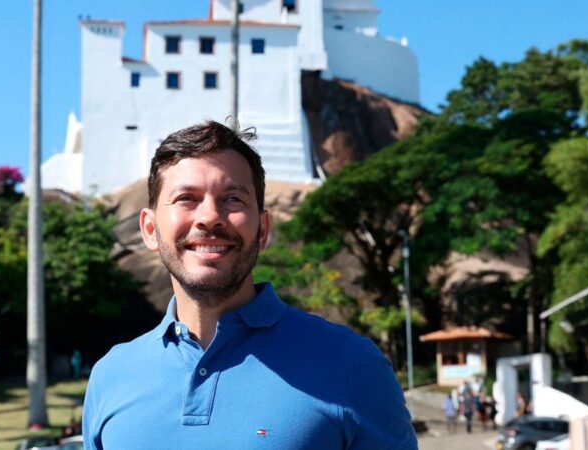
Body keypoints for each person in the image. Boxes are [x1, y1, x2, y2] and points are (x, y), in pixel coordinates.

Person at [82, 121, 417, 449]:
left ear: (263, 230)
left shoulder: (353, 366)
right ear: (149, 229)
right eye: (187, 198)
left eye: (233, 199)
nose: (209, 216)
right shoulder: (110, 376)